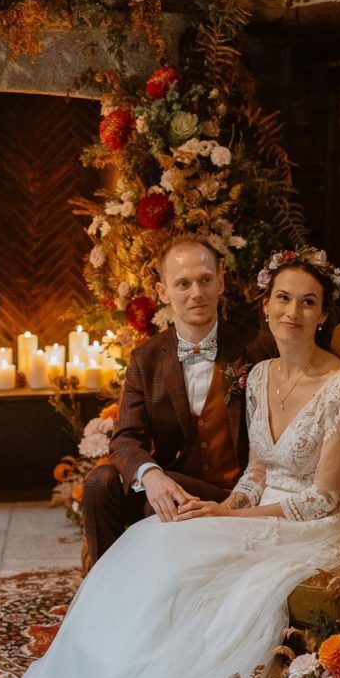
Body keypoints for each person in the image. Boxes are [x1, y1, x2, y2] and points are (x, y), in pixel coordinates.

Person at [9, 247, 340, 678]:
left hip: (317, 523)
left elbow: (323, 497)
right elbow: (255, 471)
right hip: (239, 500)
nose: (292, 312)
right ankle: (109, 666)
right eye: (283, 299)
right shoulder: (251, 372)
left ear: (322, 313)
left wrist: (228, 515)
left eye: (307, 302)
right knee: (151, 537)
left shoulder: (320, 380)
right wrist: (214, 503)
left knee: (189, 558)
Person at [83, 235, 266, 566]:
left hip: (235, 492)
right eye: (183, 283)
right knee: (100, 482)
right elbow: (125, 438)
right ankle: (104, 583)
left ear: (220, 283)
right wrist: (151, 476)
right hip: (173, 488)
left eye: (205, 280)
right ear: (163, 292)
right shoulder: (147, 358)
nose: (196, 293)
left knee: (161, 501)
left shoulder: (256, 349)